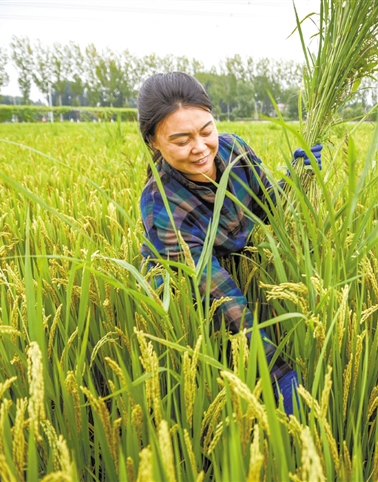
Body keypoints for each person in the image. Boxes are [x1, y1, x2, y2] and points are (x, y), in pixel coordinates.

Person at [137, 72, 321, 415]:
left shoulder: (234, 148)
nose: (200, 147)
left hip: (238, 260)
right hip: (187, 286)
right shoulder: (160, 205)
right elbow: (217, 295)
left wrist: (297, 178)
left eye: (206, 131)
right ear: (153, 142)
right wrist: (277, 373)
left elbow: (268, 206)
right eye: (180, 140)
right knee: (220, 348)